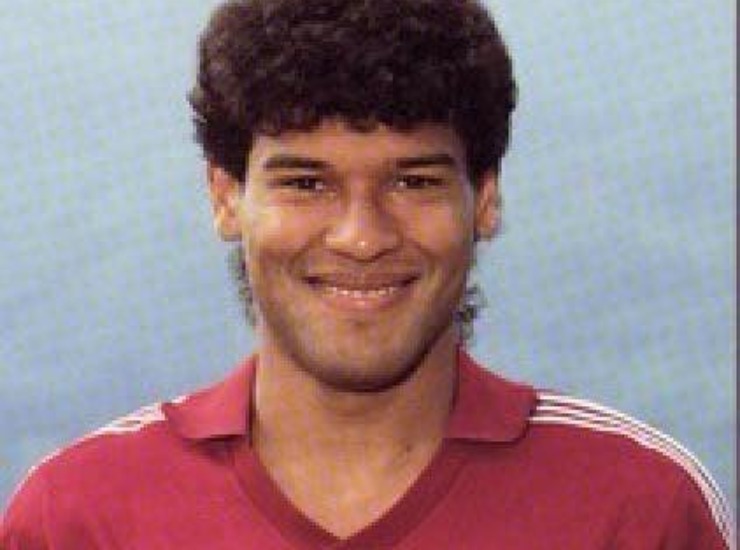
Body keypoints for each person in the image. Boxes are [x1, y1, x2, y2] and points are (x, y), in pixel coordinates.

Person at [1, 0, 733, 547]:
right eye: (306, 183)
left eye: (413, 182)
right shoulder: (79, 519)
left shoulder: (638, 509)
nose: (361, 236)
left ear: (483, 198)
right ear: (226, 197)